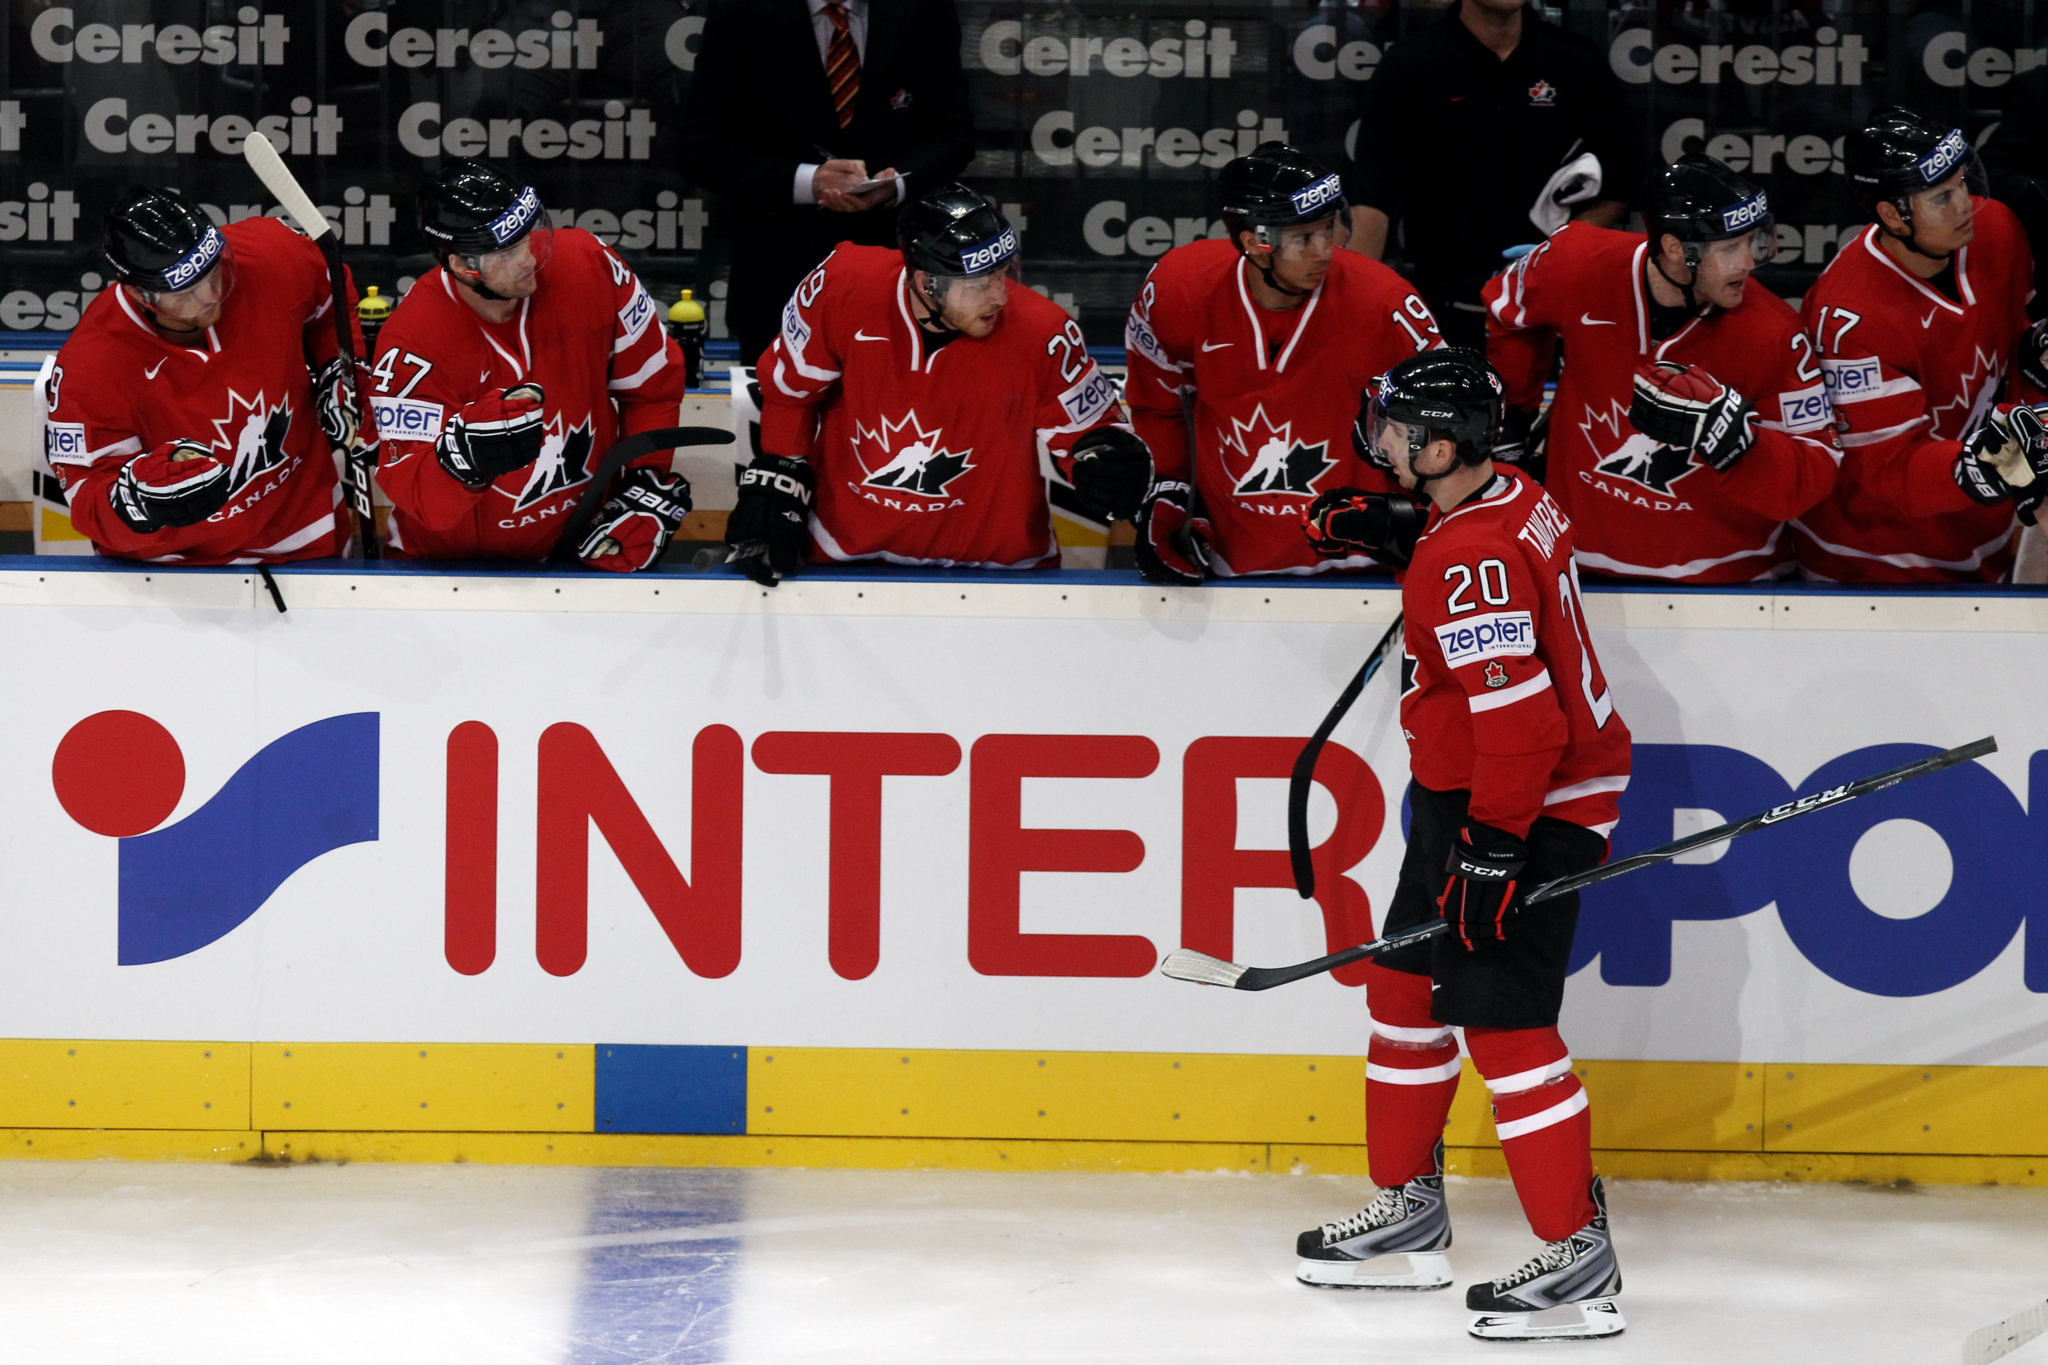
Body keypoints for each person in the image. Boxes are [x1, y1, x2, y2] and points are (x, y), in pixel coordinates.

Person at [1295, 348, 1633, 1344]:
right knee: (1403, 992)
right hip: (1467, 799)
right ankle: (1407, 1215)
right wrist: (1404, 522)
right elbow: (1481, 551)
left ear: (1440, 446)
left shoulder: (1463, 556)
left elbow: (1522, 723)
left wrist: (1493, 849)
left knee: (1502, 1024)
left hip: (1523, 806)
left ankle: (1577, 1259)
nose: (1378, 439)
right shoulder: (1499, 497)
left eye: (1395, 429)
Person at [731, 183, 1149, 580]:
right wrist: (781, 470)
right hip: (842, 557)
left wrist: (1105, 465)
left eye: (1004, 274)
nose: (1000, 296)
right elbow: (790, 392)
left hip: (1002, 575)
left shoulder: (1045, 332)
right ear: (925, 282)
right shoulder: (842, 288)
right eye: (980, 283)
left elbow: (1091, 433)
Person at [1480, 156, 1842, 582]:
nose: (1748, 262)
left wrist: (1741, 444)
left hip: (1729, 582)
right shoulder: (1576, 262)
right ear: (1674, 249)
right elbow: (1508, 306)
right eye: (1729, 248)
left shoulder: (1774, 331)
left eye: (1754, 242)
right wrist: (1511, 419)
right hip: (1577, 566)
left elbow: (1815, 470)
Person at [1121, 142, 1443, 583]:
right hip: (1227, 562)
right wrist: (1170, 495)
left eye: (1329, 228)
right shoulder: (1179, 291)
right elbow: (1159, 409)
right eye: (1303, 238)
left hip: (1361, 567)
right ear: (1255, 243)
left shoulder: (1386, 302)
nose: (1325, 250)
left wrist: (1416, 517)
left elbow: (1450, 426)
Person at [369, 160, 692, 570]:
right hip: (447, 573)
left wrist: (646, 480)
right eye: (506, 251)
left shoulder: (590, 264)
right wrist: (460, 463)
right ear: (462, 266)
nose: (527, 259)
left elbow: (653, 388)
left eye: (528, 236)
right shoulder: (411, 340)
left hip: (583, 551)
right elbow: (419, 498)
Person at [1793, 107, 2048, 583]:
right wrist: (1998, 460)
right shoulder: (1851, 318)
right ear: (1892, 214)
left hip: (1982, 539)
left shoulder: (1997, 230)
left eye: (1962, 183)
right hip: (1869, 562)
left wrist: (2036, 351)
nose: (1966, 204)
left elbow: (2015, 335)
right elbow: (1894, 473)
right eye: (1942, 197)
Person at [44, 185, 362, 564]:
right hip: (173, 570)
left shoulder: (271, 253)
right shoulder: (90, 363)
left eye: (215, 270)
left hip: (304, 534)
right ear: (138, 294)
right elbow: (89, 497)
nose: (211, 295)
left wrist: (338, 371)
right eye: (186, 293)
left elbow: (332, 301)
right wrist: (136, 503)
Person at [676, 0, 974, 366]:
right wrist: (807, 181)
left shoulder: (923, 10)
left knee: (902, 424)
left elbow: (954, 133)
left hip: (902, 283)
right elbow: (700, 147)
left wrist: (896, 184)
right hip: (778, 286)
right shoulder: (740, 12)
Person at [1345, 0, 1632, 348]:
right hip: (1441, 313)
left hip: (1553, 310)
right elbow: (1373, 201)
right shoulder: (1409, 65)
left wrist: (1561, 252)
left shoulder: (1577, 61)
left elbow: (1619, 184)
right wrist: (1350, 310)